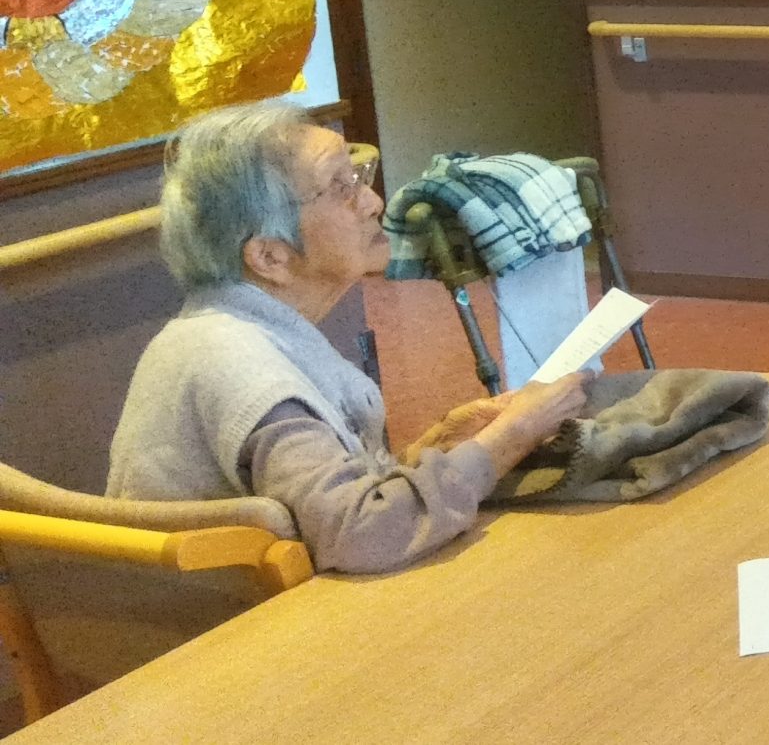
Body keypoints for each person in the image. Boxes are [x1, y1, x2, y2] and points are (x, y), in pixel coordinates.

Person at [107, 100, 590, 573]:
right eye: (340, 187)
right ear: (270, 257)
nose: (374, 201)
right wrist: (512, 436)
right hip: (239, 621)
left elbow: (326, 497)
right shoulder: (236, 361)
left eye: (358, 175)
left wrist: (442, 444)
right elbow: (362, 532)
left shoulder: (232, 329)